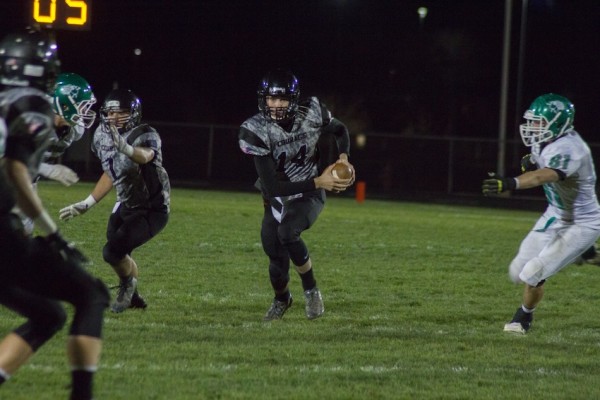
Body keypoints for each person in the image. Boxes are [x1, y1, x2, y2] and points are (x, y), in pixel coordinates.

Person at [0, 29, 109, 400]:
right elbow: (14, 168)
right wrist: (53, 235)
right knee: (91, 294)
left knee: (49, 314)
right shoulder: (33, 105)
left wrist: (39, 169)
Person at [238, 69, 354, 321]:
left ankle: (311, 290)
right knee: (275, 263)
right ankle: (282, 299)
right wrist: (319, 180)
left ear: (294, 100)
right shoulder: (256, 129)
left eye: (282, 99)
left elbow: (340, 130)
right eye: (271, 98)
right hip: (278, 196)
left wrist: (343, 158)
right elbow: (272, 188)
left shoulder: (311, 113)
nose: (276, 105)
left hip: (310, 193)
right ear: (263, 99)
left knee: (287, 231)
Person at [482, 93, 600, 334]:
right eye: (533, 121)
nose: (533, 127)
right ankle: (586, 252)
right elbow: (538, 164)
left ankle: (522, 319)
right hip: (556, 214)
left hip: (582, 222)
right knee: (516, 272)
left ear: (557, 123)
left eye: (539, 122)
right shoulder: (543, 141)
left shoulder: (571, 148)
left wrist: (511, 183)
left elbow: (543, 176)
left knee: (533, 272)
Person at [59, 88, 171, 313]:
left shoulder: (145, 133)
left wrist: (127, 148)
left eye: (120, 112)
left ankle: (127, 289)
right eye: (110, 113)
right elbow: (110, 172)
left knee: (113, 251)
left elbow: (145, 156)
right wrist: (87, 203)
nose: (113, 118)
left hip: (152, 206)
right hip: (125, 201)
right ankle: (134, 297)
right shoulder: (101, 134)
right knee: (119, 251)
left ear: (133, 113)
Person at [15, 72, 97, 235]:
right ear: (64, 105)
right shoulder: (30, 121)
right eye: (81, 106)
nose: (84, 112)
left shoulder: (74, 130)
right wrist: (48, 170)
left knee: (23, 234)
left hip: (27, 182)